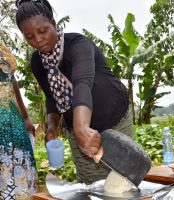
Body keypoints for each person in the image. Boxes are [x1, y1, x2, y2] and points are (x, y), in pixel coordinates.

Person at [15, 0, 133, 184]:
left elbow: (82, 84)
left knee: (124, 179)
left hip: (114, 119)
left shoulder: (78, 45)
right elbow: (51, 98)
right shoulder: (37, 62)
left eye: (42, 31)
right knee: (91, 184)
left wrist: (81, 128)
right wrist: (52, 126)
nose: (38, 40)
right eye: (29, 36)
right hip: (78, 129)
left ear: (53, 24)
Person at [0, 42, 38, 199]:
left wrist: (25, 116)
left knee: (19, 176)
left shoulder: (2, 47)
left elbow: (11, 80)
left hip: (12, 119)